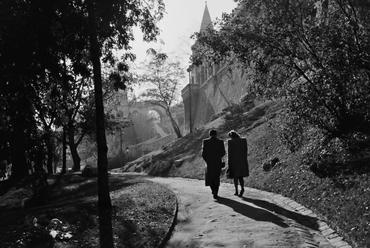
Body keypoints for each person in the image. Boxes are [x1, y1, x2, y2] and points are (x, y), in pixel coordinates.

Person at [202, 129, 225, 199]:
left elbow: (203, 154)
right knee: (216, 177)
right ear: (216, 134)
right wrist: (218, 158)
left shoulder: (205, 141)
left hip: (209, 163)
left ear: (209, 134)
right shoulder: (220, 141)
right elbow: (223, 152)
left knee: (210, 177)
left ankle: (213, 190)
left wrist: (207, 160)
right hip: (218, 162)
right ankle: (216, 192)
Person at [227, 130, 249, 197]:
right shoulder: (243, 141)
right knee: (240, 177)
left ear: (231, 136)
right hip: (242, 161)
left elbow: (229, 153)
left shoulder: (230, 142)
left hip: (233, 161)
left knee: (235, 177)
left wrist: (229, 163)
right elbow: (245, 151)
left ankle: (236, 191)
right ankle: (242, 188)